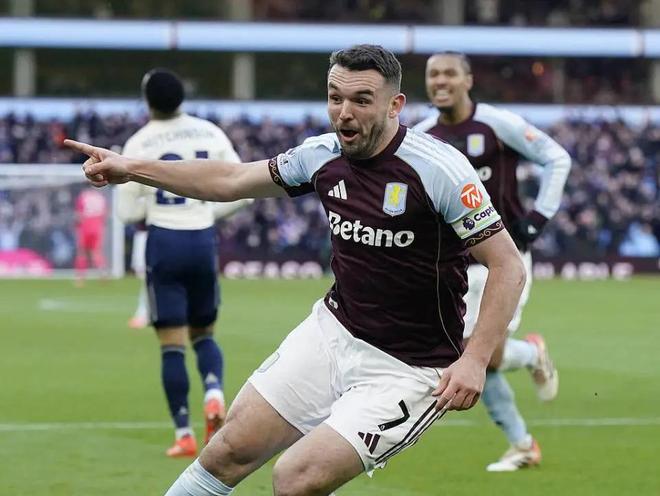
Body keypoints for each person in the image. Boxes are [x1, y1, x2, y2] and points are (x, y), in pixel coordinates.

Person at [66, 44, 526, 496]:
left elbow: (507, 265)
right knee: (228, 449)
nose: (344, 112)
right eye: (335, 97)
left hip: (407, 368)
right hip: (333, 333)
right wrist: (131, 168)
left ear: (395, 105)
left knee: (295, 479)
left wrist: (475, 359)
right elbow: (230, 180)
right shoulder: (320, 155)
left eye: (361, 100)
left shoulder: (439, 169)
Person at [415, 51, 571, 472]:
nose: (440, 81)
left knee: (481, 354)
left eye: (450, 73)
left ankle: (529, 372)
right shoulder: (423, 136)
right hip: (455, 266)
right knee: (474, 354)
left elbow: (557, 157)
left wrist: (538, 218)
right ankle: (523, 441)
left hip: (504, 261)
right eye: (433, 74)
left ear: (468, 80)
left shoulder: (497, 124)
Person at [115, 68, 252, 458]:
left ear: (147, 101)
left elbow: (127, 213)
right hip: (202, 239)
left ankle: (183, 433)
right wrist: (206, 212)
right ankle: (214, 391)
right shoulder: (210, 133)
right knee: (205, 334)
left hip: (164, 241)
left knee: (171, 346)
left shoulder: (139, 142)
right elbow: (242, 189)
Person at [73, 186, 108, 286]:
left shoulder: (83, 196)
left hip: (86, 225)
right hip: (97, 226)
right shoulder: (100, 197)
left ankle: (80, 278)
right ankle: (103, 273)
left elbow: (78, 215)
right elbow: (104, 214)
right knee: (96, 252)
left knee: (82, 252)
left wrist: (76, 226)